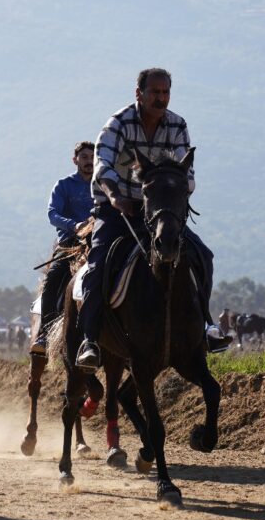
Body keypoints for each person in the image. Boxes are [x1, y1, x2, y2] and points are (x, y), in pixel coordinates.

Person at [75, 68, 230, 372]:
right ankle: (90, 340)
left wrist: (177, 193)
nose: (160, 98)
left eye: (165, 93)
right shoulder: (118, 125)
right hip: (117, 207)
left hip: (159, 210)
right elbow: (102, 167)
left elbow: (188, 173)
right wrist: (116, 196)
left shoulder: (177, 125)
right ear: (139, 94)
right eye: (154, 92)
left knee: (202, 255)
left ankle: (207, 328)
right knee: (98, 264)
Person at [32, 141, 96, 357]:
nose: (89, 161)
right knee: (52, 281)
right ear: (75, 160)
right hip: (71, 245)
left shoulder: (103, 185)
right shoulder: (64, 185)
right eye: (84, 157)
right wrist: (74, 225)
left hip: (99, 241)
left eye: (92, 157)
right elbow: (53, 214)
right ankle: (44, 333)